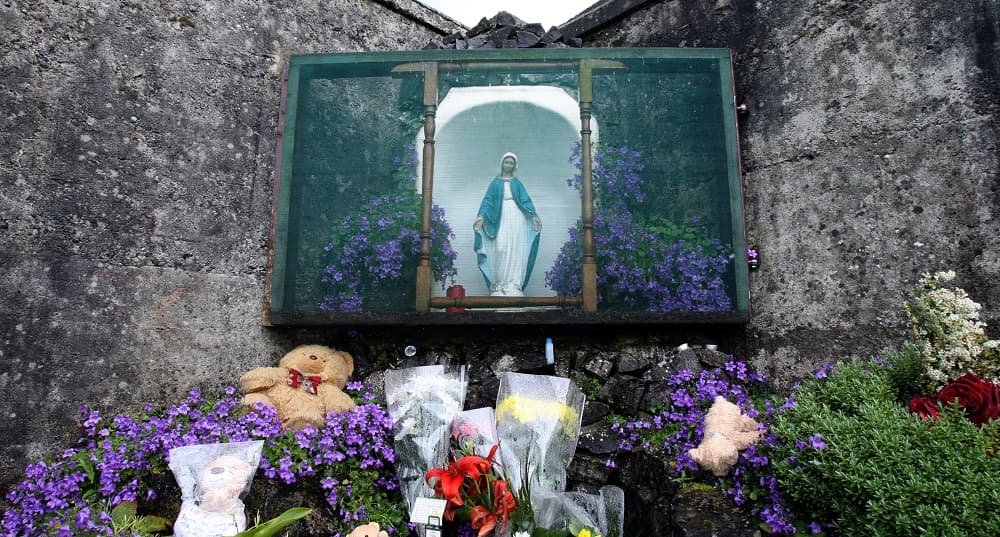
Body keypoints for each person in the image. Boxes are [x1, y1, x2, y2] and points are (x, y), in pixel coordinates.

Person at [473, 152, 542, 297]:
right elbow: (488, 202)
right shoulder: (495, 183)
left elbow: (526, 201)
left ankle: (513, 285)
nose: (508, 165)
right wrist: (481, 216)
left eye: (511, 163)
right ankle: (499, 284)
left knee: (515, 249)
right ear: (502, 164)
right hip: (500, 217)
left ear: (514, 166)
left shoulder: (517, 183)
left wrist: (534, 216)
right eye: (506, 162)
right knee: (501, 248)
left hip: (517, 217)